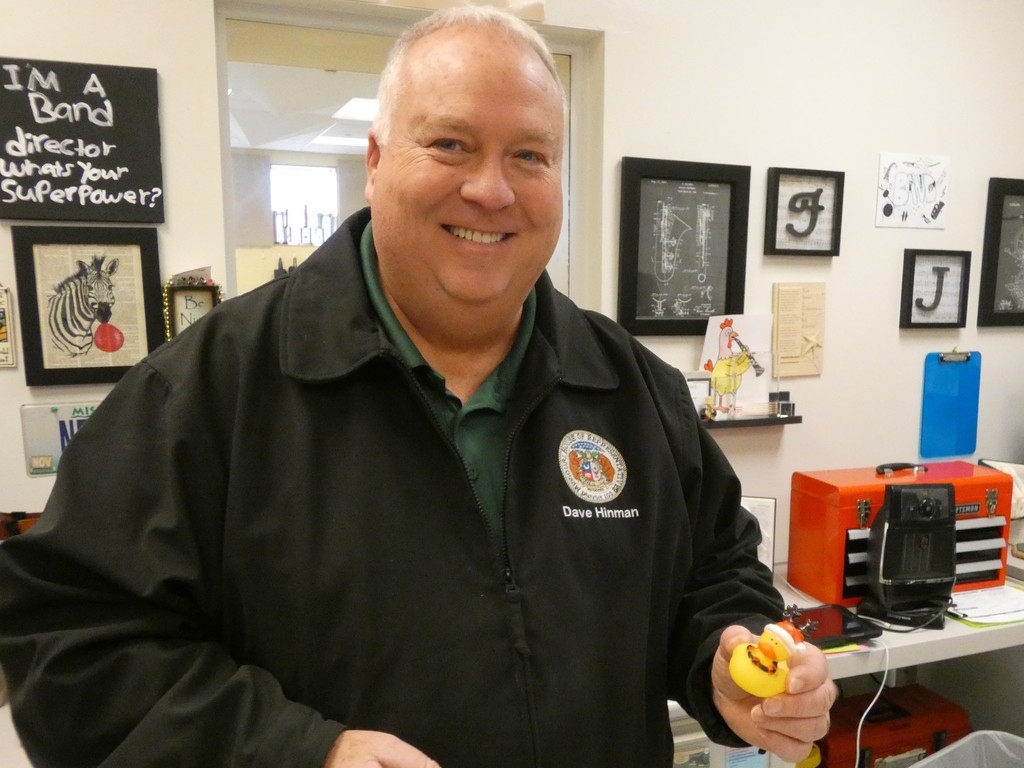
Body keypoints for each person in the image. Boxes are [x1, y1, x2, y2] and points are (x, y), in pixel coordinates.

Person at [0, 6, 836, 767]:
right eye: (450, 144)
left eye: (530, 155)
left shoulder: (634, 391)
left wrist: (727, 661)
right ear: (374, 161)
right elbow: (70, 650)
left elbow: (716, 574)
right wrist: (300, 755)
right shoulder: (204, 395)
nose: (491, 189)